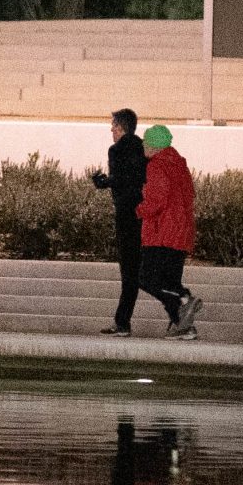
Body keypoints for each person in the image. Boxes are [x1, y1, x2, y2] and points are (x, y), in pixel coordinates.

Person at [134, 124, 203, 339]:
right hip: (181, 232)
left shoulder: (156, 165)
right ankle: (183, 327)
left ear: (153, 146)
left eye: (145, 142)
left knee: (145, 279)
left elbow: (157, 199)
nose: (143, 146)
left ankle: (185, 299)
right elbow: (189, 194)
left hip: (161, 232)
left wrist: (137, 210)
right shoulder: (179, 164)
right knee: (170, 280)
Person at [90, 109, 149, 336]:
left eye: (113, 126)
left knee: (129, 270)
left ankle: (123, 322)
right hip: (145, 215)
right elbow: (138, 177)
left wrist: (104, 182)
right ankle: (123, 320)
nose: (111, 130)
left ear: (122, 127)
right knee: (140, 270)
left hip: (126, 216)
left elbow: (122, 178)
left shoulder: (116, 150)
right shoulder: (143, 148)